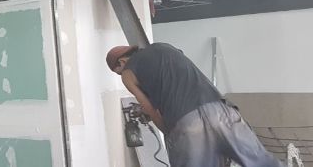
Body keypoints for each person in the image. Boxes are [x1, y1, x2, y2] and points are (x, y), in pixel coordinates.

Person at [106, 43, 281, 167]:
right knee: (262, 162)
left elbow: (149, 108)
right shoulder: (165, 47)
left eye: (117, 71)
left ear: (121, 62)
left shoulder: (127, 74)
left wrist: (168, 132)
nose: (120, 74)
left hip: (188, 124)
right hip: (222, 111)